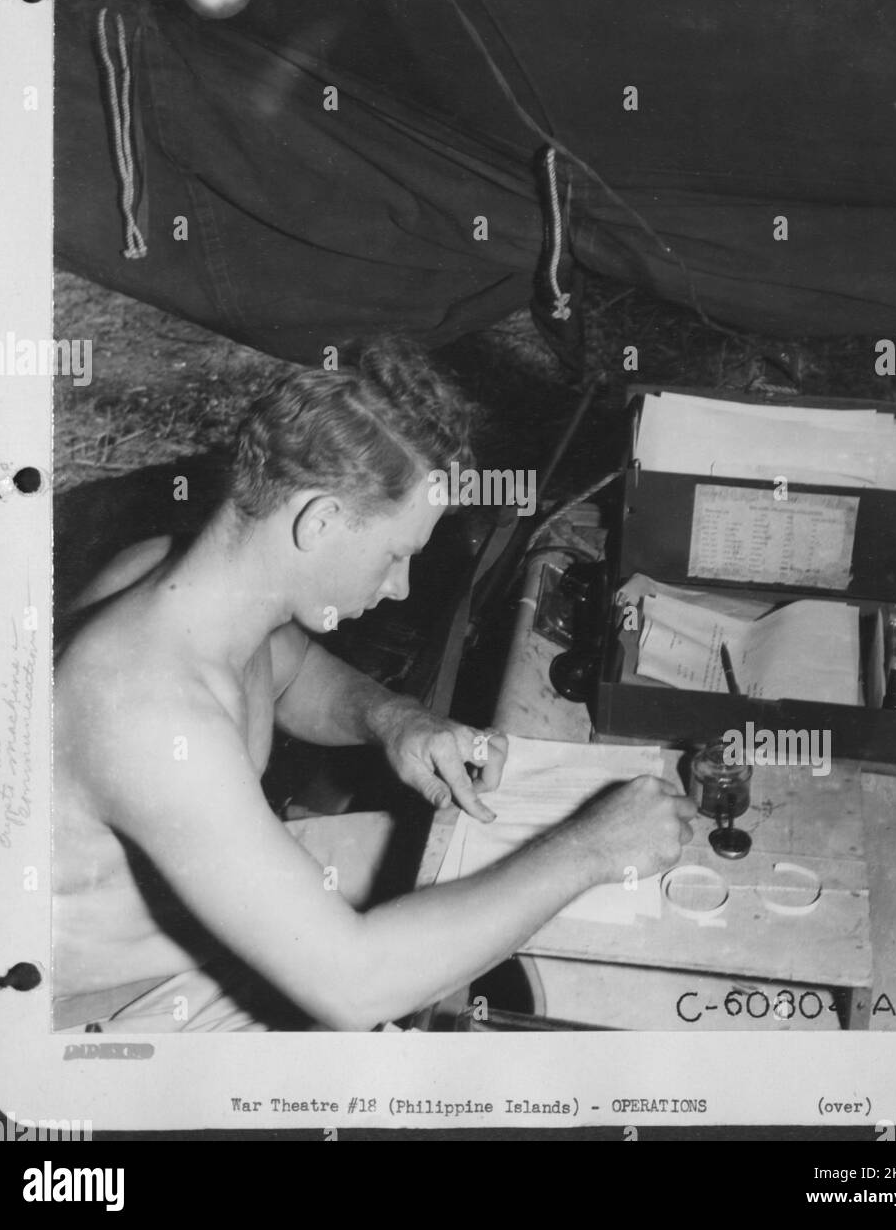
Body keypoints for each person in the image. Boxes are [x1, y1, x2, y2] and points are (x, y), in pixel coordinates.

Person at [53, 338, 695, 1032]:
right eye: (397, 554)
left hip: (183, 935)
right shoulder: (148, 713)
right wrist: (593, 849)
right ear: (320, 519)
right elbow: (355, 987)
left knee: (462, 865)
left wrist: (395, 720)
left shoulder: (185, 580)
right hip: (113, 1019)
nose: (400, 587)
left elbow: (295, 675)